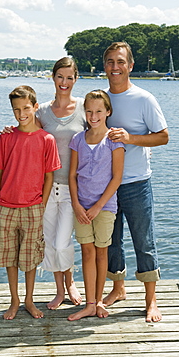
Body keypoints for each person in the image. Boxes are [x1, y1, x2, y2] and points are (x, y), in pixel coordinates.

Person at [1, 57, 86, 310]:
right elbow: (25, 128)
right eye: (60, 76)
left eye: (69, 77)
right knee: (49, 242)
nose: (64, 82)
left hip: (73, 188)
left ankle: (70, 281)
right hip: (46, 189)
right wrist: (8, 130)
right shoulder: (42, 111)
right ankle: (59, 290)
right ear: (53, 77)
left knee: (63, 242)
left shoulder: (84, 107)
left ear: (76, 79)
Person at [103, 42, 169, 322]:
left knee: (144, 242)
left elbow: (163, 136)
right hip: (107, 185)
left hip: (137, 183)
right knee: (111, 242)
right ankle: (118, 289)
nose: (114, 67)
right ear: (104, 65)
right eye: (109, 61)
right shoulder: (99, 99)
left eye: (120, 62)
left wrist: (130, 138)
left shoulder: (144, 99)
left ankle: (151, 300)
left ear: (130, 66)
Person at [0, 85, 61, 320]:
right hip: (6, 207)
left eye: (26, 108)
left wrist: (42, 204)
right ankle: (15, 300)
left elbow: (49, 175)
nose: (21, 113)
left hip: (33, 208)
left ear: (35, 107)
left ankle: (29, 300)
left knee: (29, 259)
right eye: (16, 109)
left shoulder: (46, 139)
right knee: (9, 258)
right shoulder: (7, 137)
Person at [67, 90, 125, 321]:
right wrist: (77, 205)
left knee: (102, 254)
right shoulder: (77, 140)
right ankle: (89, 304)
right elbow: (72, 176)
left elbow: (117, 178)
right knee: (87, 252)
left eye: (99, 111)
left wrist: (98, 207)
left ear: (107, 112)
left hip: (105, 207)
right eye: (89, 111)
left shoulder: (114, 140)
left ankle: (99, 301)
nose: (93, 115)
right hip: (81, 206)